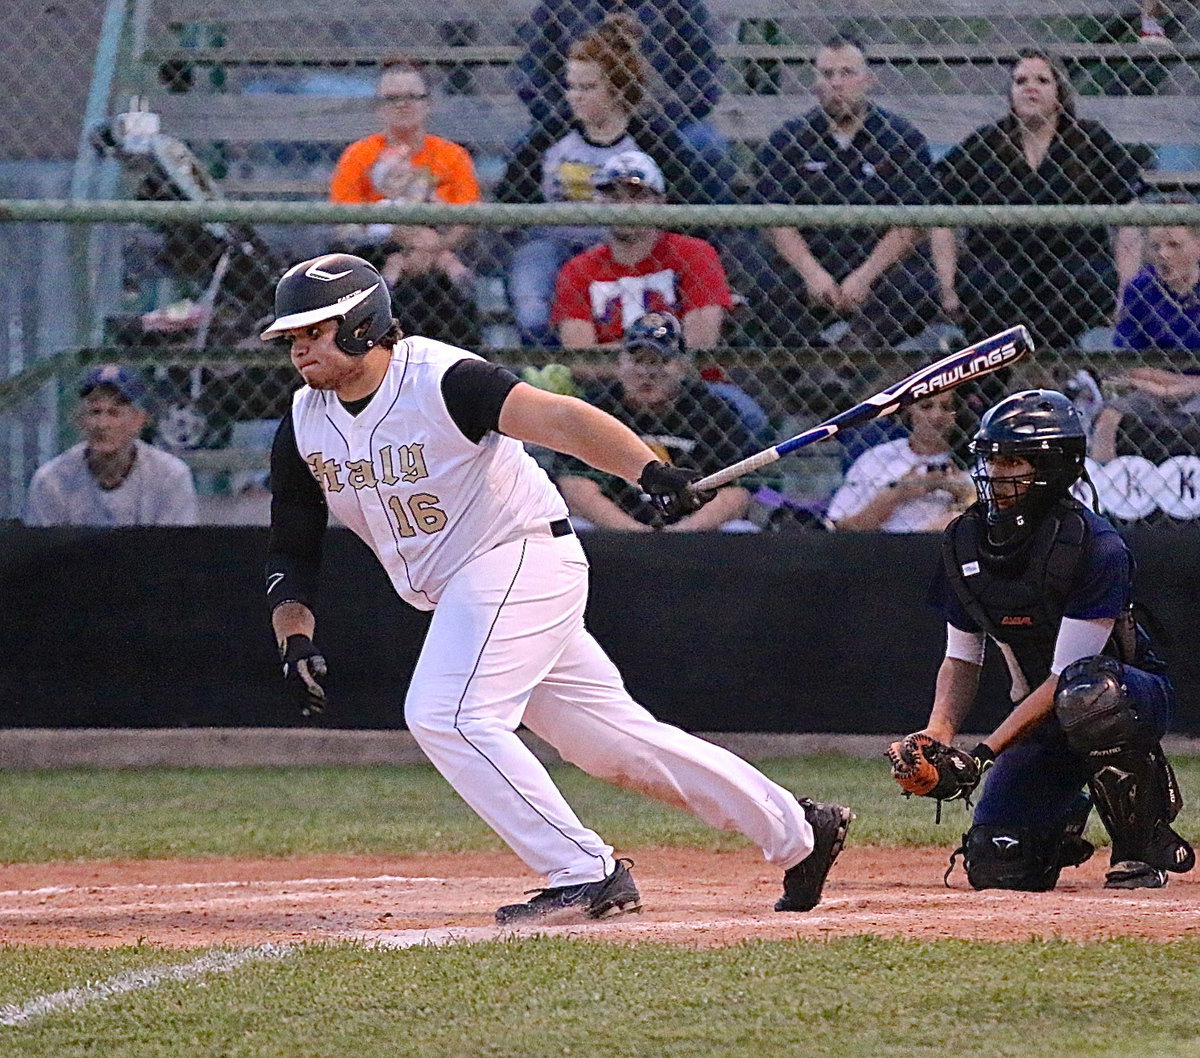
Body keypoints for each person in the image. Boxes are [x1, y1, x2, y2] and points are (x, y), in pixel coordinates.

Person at [260, 252, 852, 924]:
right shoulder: (307, 421)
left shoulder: (442, 378)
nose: (299, 347)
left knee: (446, 712)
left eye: (314, 330)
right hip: (467, 590)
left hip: (516, 556)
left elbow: (563, 421)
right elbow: (292, 542)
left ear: (364, 325)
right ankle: (800, 832)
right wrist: (295, 633)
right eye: (292, 337)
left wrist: (645, 470)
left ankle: (584, 872)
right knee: (616, 746)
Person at [896, 389, 1194, 891]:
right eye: (992, 459)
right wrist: (938, 735)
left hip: (1124, 696)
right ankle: (1060, 820)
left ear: (1055, 467)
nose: (996, 472)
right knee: (998, 868)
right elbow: (961, 657)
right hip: (1040, 717)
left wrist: (984, 754)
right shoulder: (965, 540)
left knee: (1089, 695)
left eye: (1014, 461)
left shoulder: (1094, 545)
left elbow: (1064, 678)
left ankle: (1139, 843)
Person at [496, 15, 723, 347]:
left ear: (617, 89)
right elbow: (508, 200)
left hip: (623, 247)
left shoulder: (652, 140)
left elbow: (690, 206)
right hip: (553, 242)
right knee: (532, 312)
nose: (575, 96)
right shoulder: (550, 136)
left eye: (588, 87)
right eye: (571, 86)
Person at [933, 49, 1143, 351]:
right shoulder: (987, 143)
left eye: (1042, 80)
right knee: (990, 286)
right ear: (1011, 93)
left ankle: (1030, 363)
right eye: (1020, 81)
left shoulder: (1089, 140)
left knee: (1081, 283)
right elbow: (940, 210)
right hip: (1000, 263)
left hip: (1073, 262)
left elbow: (1130, 213)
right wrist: (947, 286)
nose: (1030, 87)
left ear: (1060, 93)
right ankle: (1033, 370)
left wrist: (1126, 290)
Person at [752, 36, 944, 350]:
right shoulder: (787, 139)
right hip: (815, 257)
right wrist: (813, 274)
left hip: (878, 262)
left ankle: (844, 358)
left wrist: (865, 276)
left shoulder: (902, 139)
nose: (837, 83)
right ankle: (814, 366)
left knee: (917, 287)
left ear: (868, 80)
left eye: (847, 73)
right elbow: (776, 220)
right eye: (827, 75)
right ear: (815, 83)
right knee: (767, 285)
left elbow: (912, 224)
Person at [553, 311, 755, 531]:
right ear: (620, 364)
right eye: (637, 361)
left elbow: (736, 491)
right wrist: (633, 532)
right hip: (613, 530)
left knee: (740, 530)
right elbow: (576, 487)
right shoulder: (595, 409)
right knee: (575, 528)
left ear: (681, 366)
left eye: (659, 361)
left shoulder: (713, 410)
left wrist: (682, 532)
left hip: (696, 533)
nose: (646, 372)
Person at [328, 59, 481, 347]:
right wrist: (399, 237)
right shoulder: (358, 155)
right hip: (376, 253)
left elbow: (467, 219)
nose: (403, 105)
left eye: (412, 96)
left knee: (445, 289)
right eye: (392, 98)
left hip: (439, 251)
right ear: (379, 107)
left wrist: (433, 248)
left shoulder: (452, 155)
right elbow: (344, 224)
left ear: (428, 104)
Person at [512, 0, 727, 169]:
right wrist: (570, 117)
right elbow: (530, 76)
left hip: (663, 119)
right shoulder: (561, 5)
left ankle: (705, 224)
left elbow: (704, 79)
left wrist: (659, 123)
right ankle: (519, 225)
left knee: (707, 147)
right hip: (575, 121)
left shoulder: (681, 6)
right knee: (524, 146)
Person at [552, 151, 732, 352]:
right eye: (614, 197)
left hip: (689, 381)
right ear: (599, 203)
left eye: (638, 196)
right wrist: (654, 352)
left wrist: (628, 355)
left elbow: (700, 344)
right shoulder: (578, 269)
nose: (625, 206)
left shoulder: (694, 254)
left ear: (661, 202)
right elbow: (581, 360)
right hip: (606, 383)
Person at [23, 365, 198, 527]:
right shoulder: (52, 480)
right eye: (95, 412)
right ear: (80, 420)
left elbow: (176, 552)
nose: (102, 424)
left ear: (139, 421)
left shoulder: (170, 476)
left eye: (114, 413)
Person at [1091, 219, 1200, 462]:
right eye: (1155, 246)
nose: (1163, 254)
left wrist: (1183, 387)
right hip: (1152, 387)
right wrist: (1165, 389)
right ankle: (1104, 490)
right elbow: (1130, 363)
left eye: (1174, 245)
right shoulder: (1141, 289)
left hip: (1190, 387)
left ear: (1198, 246)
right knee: (1109, 416)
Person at [825, 392, 975, 532]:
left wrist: (964, 493)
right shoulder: (879, 457)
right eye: (926, 406)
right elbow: (839, 525)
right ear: (910, 409)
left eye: (946, 408)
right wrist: (899, 493)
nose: (936, 415)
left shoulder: (974, 460)